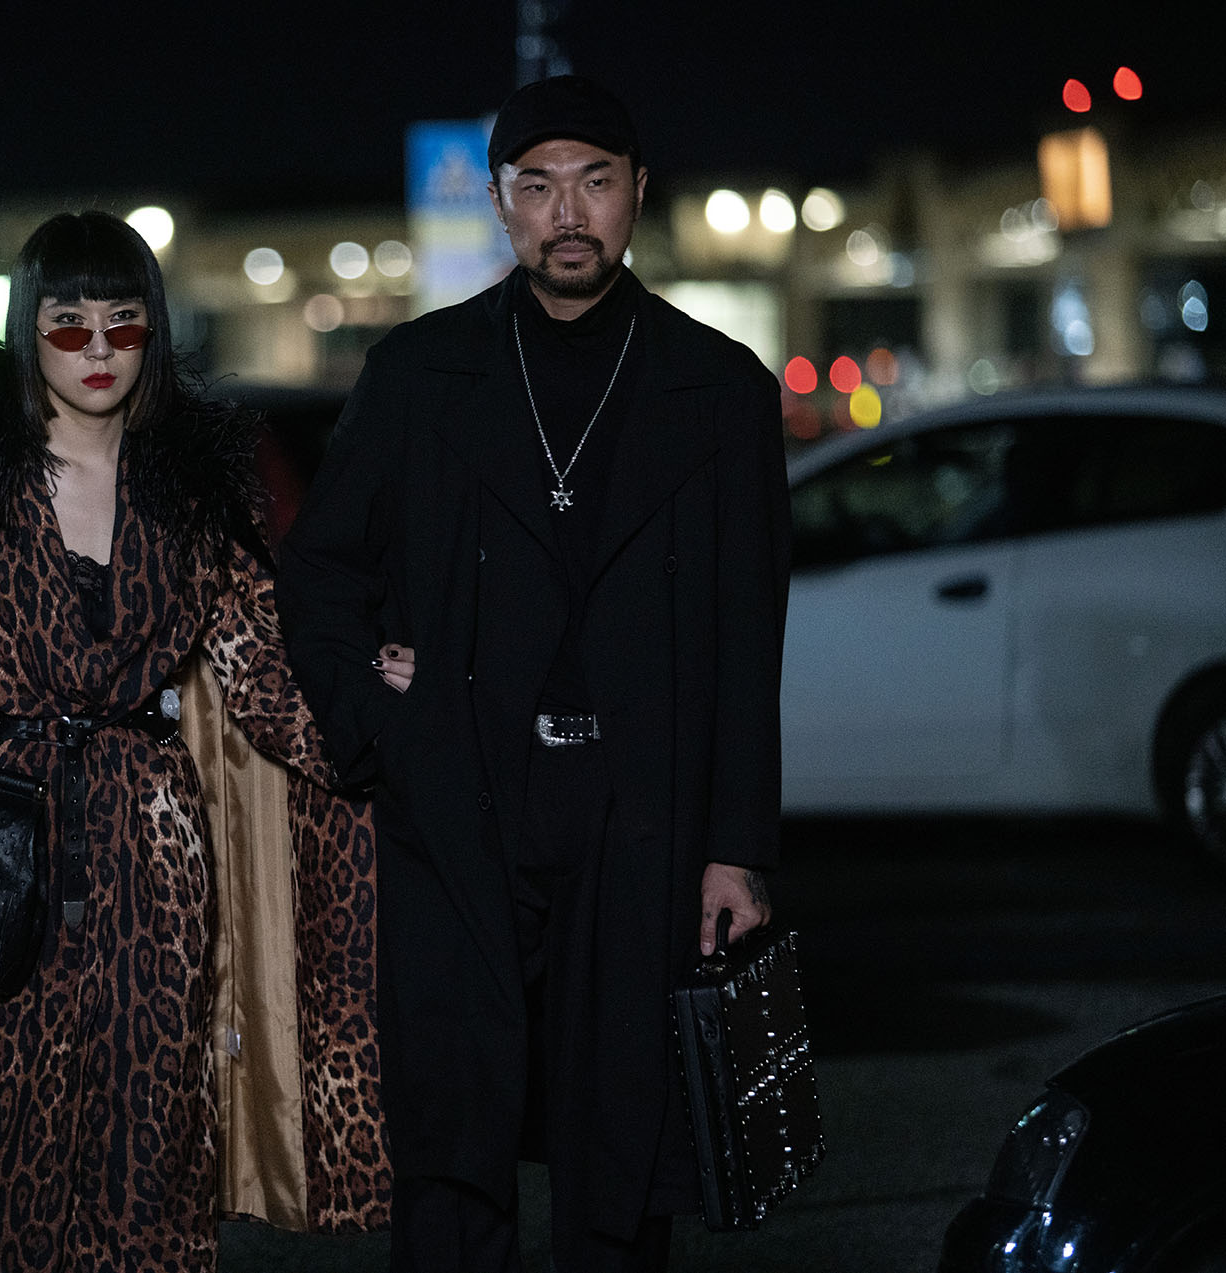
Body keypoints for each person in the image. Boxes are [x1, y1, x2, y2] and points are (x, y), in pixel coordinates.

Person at [276, 76, 792, 1273]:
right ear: (501, 202)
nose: (569, 212)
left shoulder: (720, 390)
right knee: (452, 1139)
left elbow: (749, 637)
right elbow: (320, 575)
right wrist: (377, 720)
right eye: (540, 185)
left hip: (641, 818)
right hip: (460, 807)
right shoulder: (420, 374)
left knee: (622, 1148)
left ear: (638, 193)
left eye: (595, 182)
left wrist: (738, 847)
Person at [0, 210, 388, 1271]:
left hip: (151, 859)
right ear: (28, 330)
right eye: (69, 326)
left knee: (146, 1149)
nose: (98, 351)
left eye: (123, 324)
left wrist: (380, 694)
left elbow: (265, 673)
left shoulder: (192, 482)